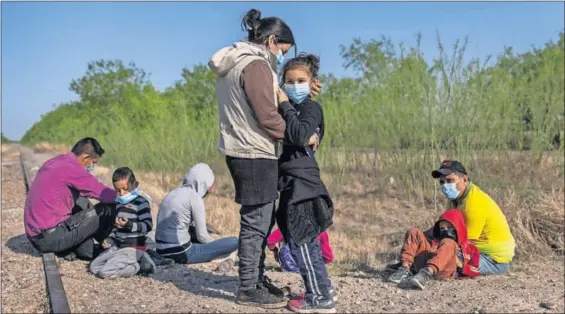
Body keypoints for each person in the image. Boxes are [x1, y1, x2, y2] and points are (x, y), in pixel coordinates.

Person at [208, 8, 321, 309]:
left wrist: (300, 93)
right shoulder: (257, 65)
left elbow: (263, 102)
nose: (281, 57)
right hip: (254, 152)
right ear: (272, 40)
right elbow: (268, 116)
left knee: (259, 218)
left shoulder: (239, 62)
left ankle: (255, 280)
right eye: (282, 51)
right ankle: (248, 287)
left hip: (242, 148)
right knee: (257, 222)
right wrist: (300, 135)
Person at [276, 53, 336, 313]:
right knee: (306, 243)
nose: (295, 84)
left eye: (301, 80)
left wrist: (286, 104)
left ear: (312, 83)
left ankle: (320, 299)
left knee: (301, 244)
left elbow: (300, 135)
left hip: (303, 186)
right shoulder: (293, 109)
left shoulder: (309, 108)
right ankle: (322, 288)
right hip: (293, 183)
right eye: (290, 80)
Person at [24, 137, 117, 261]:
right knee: (106, 207)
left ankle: (86, 250)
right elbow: (102, 192)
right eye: (93, 162)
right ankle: (114, 242)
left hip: (36, 235)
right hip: (48, 238)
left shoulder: (57, 161)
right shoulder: (73, 169)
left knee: (81, 200)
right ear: (85, 158)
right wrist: (129, 198)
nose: (93, 166)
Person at [430, 160, 516, 275]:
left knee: (442, 260)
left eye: (450, 180)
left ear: (464, 180)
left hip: (493, 260)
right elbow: (446, 228)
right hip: (475, 251)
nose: (445, 185)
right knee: (433, 251)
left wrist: (434, 247)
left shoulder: (474, 203)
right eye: (442, 182)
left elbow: (464, 242)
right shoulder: (456, 199)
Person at [154, 163, 238, 265]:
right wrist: (215, 244)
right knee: (234, 241)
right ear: (204, 184)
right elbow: (202, 236)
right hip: (180, 252)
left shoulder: (173, 193)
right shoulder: (194, 197)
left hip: (160, 250)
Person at [387, 209, 481, 290]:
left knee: (448, 242)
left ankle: (425, 274)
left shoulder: (471, 249)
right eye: (442, 228)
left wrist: (459, 264)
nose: (445, 230)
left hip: (445, 272)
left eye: (449, 228)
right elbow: (416, 239)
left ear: (458, 228)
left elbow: (476, 271)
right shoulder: (434, 240)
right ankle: (404, 269)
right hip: (423, 265)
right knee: (414, 231)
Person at [89, 167, 156, 278]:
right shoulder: (119, 204)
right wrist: (110, 239)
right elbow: (116, 228)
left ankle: (138, 266)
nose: (122, 194)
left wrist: (130, 225)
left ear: (135, 184)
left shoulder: (141, 203)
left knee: (104, 273)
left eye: (125, 189)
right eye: (118, 191)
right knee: (93, 267)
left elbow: (148, 225)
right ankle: (129, 262)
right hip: (118, 246)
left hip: (133, 248)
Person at [267, 229, 334, 272]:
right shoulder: (320, 229)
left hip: (289, 266)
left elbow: (270, 241)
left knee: (287, 246)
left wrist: (275, 251)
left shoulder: (289, 224)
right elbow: (329, 257)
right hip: (311, 267)